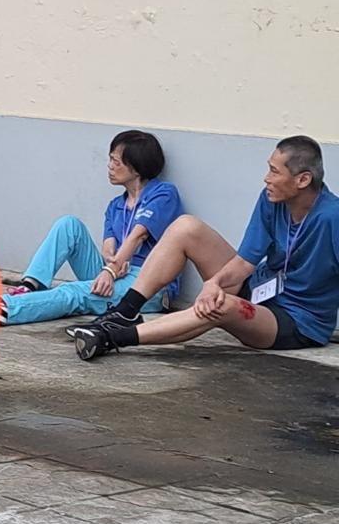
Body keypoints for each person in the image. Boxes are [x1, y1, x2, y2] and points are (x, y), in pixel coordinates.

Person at [71, 136, 339, 360]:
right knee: (186, 227)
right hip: (258, 290)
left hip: (294, 321)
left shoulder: (332, 217)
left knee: (221, 305)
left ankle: (111, 338)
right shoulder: (271, 200)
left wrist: (217, 292)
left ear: (303, 180)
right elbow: (245, 262)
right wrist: (215, 283)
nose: (266, 178)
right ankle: (124, 312)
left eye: (274, 171)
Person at [1, 130, 182, 326]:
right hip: (117, 273)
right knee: (68, 224)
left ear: (136, 168)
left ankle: (7, 309)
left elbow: (139, 235)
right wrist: (112, 265)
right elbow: (108, 249)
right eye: (110, 159)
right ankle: (30, 286)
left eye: (116, 162)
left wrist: (112, 271)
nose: (109, 166)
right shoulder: (116, 206)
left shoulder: (163, 194)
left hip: (148, 284)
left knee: (74, 292)